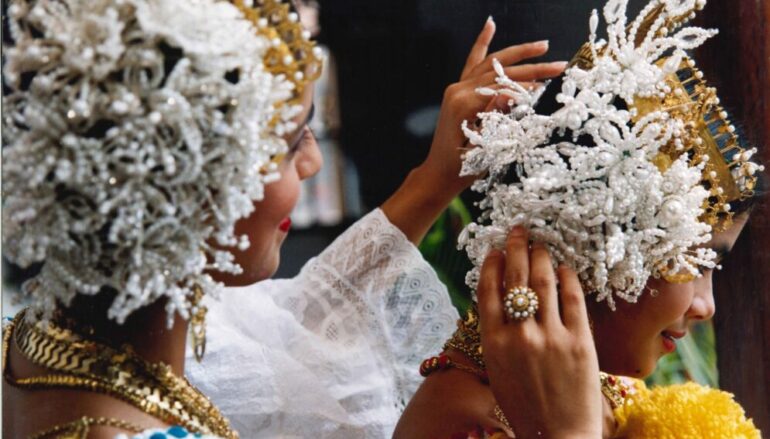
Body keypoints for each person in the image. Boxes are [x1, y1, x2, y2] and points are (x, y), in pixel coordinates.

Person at [1, 1, 566, 438]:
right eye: (295, 139)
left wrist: (437, 178)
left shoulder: (58, 335)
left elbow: (294, 325)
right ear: (202, 181)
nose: (315, 160)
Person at [394, 0, 765, 437]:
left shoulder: (604, 384)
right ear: (597, 239)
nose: (707, 307)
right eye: (698, 263)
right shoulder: (470, 417)